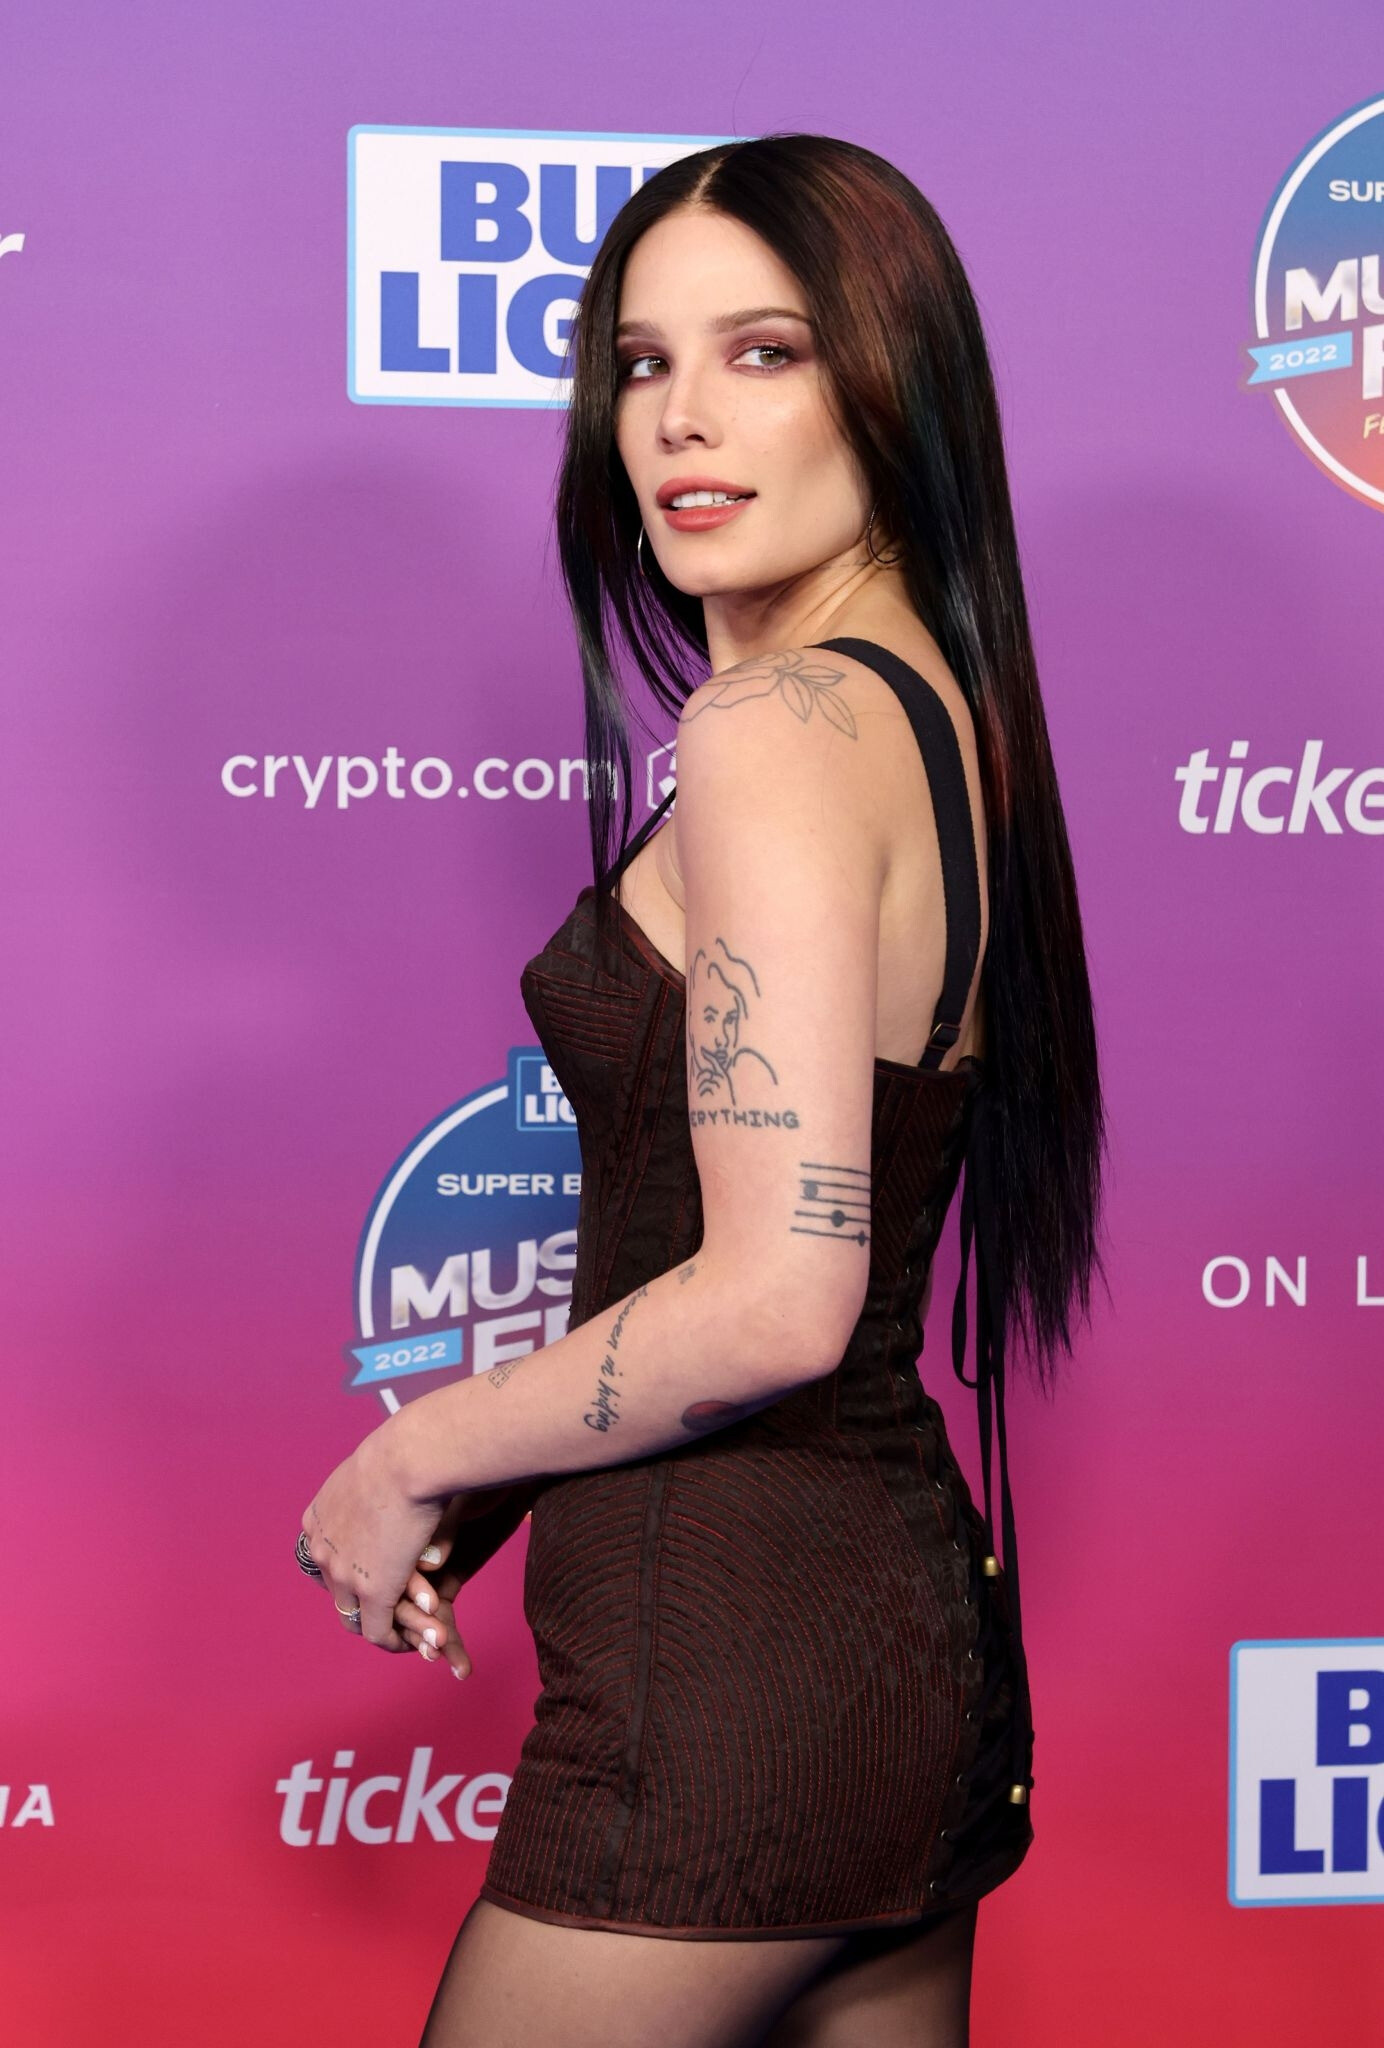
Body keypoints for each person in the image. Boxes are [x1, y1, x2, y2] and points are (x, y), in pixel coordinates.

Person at [299, 131, 1108, 2047]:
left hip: (730, 1683)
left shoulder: (776, 727)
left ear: (893, 379)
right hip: (898, 1658)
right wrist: (512, 1470)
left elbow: (775, 1298)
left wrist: (414, 1451)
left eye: (764, 352)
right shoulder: (936, 713)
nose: (680, 418)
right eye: (643, 363)